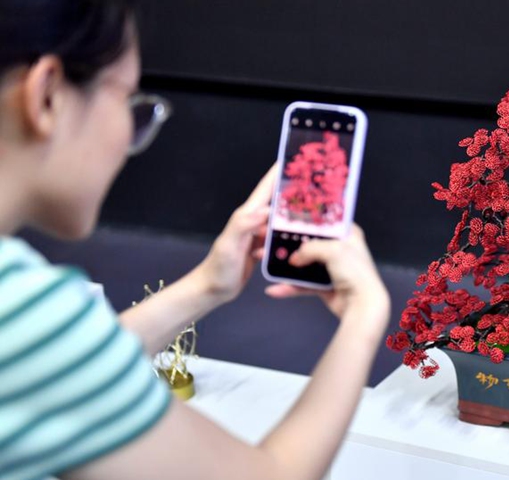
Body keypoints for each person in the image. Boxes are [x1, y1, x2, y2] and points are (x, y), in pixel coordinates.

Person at [0, 1, 391, 479]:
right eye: (128, 100)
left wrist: (209, 284)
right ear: (47, 96)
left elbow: (53, 371)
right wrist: (363, 320)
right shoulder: (23, 312)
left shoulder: (25, 325)